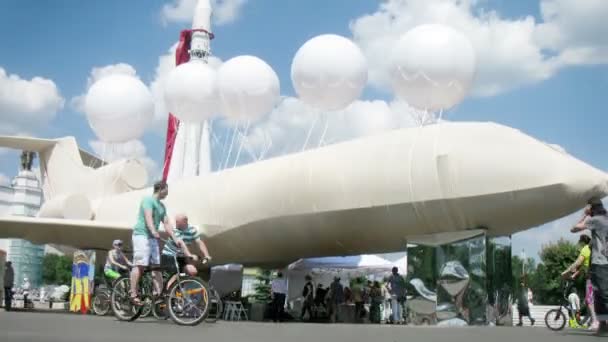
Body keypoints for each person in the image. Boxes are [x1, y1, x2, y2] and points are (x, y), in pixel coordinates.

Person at [130, 180, 179, 306]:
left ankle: (159, 294)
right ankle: (133, 294)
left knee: (156, 266)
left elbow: (167, 224)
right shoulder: (148, 200)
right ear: (161, 189)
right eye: (166, 190)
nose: (167, 194)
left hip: (152, 238)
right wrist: (153, 230)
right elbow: (148, 217)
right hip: (142, 235)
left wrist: (175, 239)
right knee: (140, 265)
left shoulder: (162, 206)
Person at [571, 198, 608, 335]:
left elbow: (574, 229)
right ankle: (603, 325)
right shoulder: (605, 218)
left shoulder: (595, 219)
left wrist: (585, 214)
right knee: (601, 295)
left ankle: (604, 325)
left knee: (601, 295)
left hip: (601, 262)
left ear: (592, 208)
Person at [161, 214, 212, 289]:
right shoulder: (175, 230)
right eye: (176, 222)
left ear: (185, 222)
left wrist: (206, 255)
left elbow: (199, 242)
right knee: (176, 274)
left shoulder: (191, 230)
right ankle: (168, 292)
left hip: (181, 257)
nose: (176, 223)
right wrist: (190, 255)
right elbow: (181, 244)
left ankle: (180, 290)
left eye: (178, 222)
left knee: (192, 271)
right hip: (169, 255)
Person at [561, 232, 597, 329]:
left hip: (591, 278)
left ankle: (594, 322)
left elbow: (577, 263)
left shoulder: (586, 249)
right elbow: (582, 267)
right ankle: (590, 321)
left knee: (589, 300)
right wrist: (575, 275)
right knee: (591, 300)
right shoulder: (598, 248)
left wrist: (565, 272)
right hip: (601, 276)